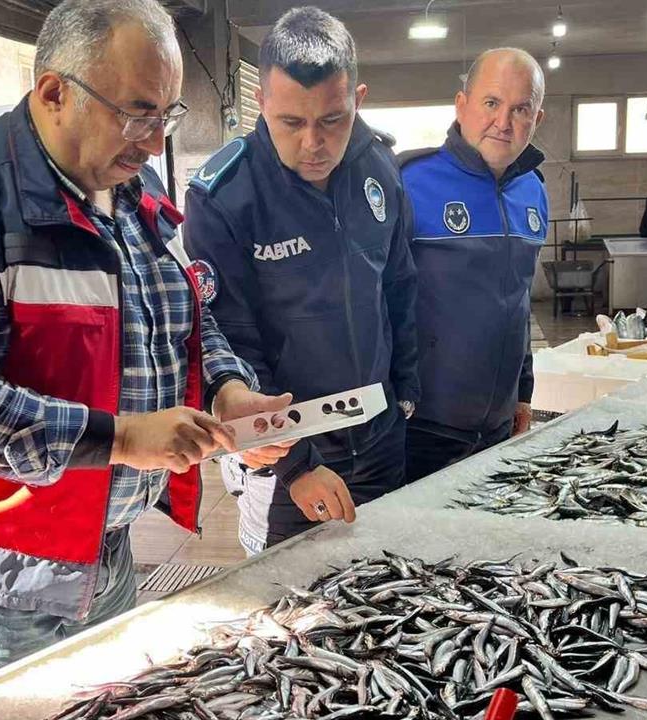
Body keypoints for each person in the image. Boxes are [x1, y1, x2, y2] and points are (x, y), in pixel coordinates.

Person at [0, 0, 288, 702]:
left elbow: (184, 313)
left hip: (98, 546)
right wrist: (117, 438)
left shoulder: (130, 189)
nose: (154, 143)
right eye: (137, 112)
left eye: (168, 116)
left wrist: (225, 390)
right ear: (54, 91)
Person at [184, 7, 419, 555]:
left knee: (387, 591)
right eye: (291, 122)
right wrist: (296, 465)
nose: (314, 142)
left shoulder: (380, 168)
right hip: (287, 458)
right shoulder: (224, 196)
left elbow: (401, 288)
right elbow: (228, 342)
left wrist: (406, 398)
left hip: (381, 434)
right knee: (288, 609)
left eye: (333, 119)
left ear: (357, 98)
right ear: (261, 102)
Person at [398, 48, 548, 481]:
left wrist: (523, 392)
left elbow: (518, 303)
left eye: (521, 109)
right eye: (491, 103)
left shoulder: (533, 191)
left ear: (536, 120)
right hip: (420, 429)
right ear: (461, 105)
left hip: (499, 426)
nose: (503, 122)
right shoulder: (407, 181)